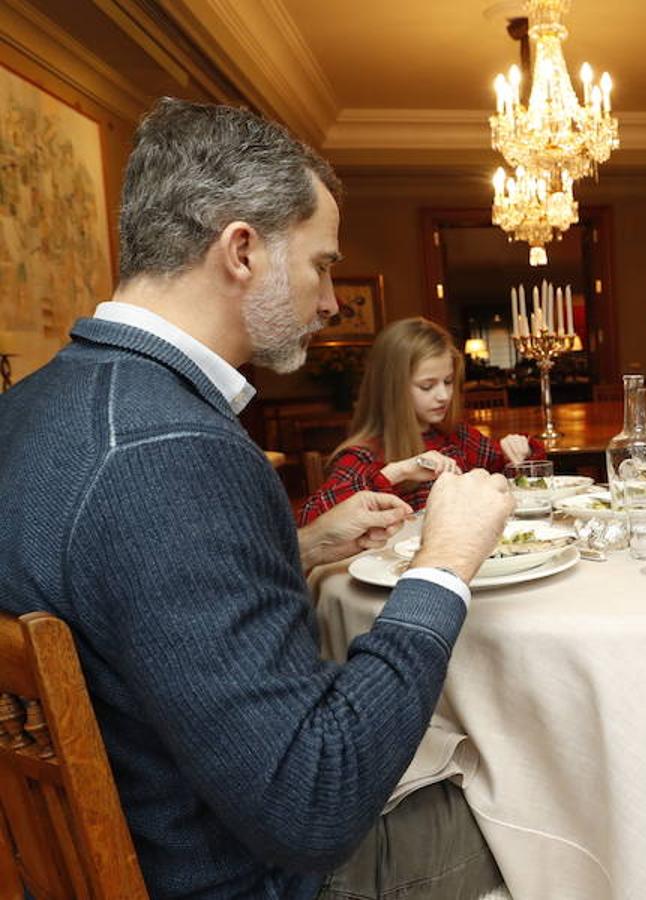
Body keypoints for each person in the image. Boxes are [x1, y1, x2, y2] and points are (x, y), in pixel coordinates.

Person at [0, 97, 513, 899]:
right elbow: (317, 802)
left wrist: (299, 546)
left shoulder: (31, 407)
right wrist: (444, 564)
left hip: (100, 854)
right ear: (241, 251)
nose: (331, 300)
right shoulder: (173, 451)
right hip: (232, 878)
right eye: (320, 264)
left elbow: (128, 598)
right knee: (533, 801)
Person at [298, 317, 545, 525]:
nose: (444, 396)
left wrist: (517, 451)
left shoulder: (457, 436)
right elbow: (309, 523)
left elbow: (507, 475)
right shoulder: (364, 454)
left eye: (448, 381)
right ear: (392, 389)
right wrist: (395, 473)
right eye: (427, 386)